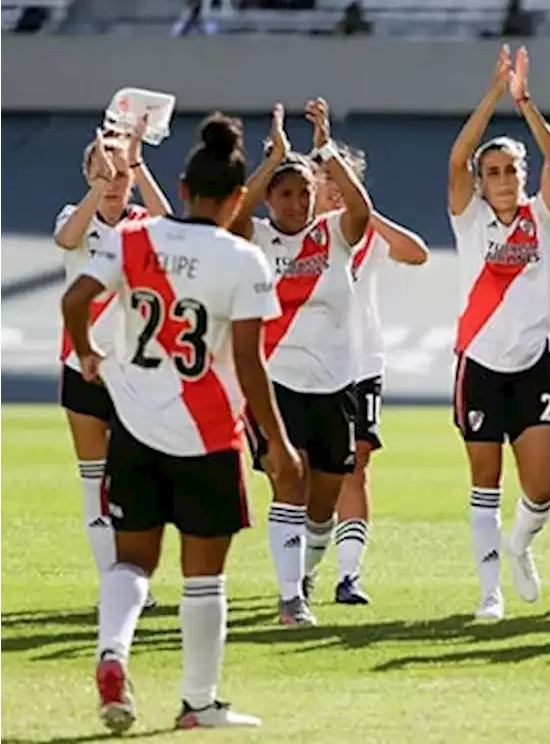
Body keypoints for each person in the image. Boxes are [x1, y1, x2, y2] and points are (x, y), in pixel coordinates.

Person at [62, 114, 300, 732]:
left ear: (184, 187)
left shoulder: (133, 239)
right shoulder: (242, 259)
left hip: (135, 428)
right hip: (207, 434)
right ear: (231, 200)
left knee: (132, 562)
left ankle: (113, 651)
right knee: (204, 575)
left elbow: (72, 299)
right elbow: (249, 363)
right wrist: (278, 445)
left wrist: (88, 352)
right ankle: (198, 704)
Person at [230, 100, 372, 627]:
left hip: (335, 382)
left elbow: (362, 210)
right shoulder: (257, 240)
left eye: (303, 192)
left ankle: (306, 573)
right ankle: (291, 598)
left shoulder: (334, 233)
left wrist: (324, 149)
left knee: (325, 502)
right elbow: (234, 215)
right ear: (271, 198)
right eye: (285, 193)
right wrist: (275, 159)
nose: (295, 202)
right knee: (288, 482)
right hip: (275, 383)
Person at [446, 45, 550, 621]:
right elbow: (456, 159)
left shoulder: (542, 218)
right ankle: (489, 592)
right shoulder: (469, 220)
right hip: (481, 366)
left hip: (533, 365)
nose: (500, 179)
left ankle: (520, 544)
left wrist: (524, 103)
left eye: (510, 170)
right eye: (491, 172)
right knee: (485, 481)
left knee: (540, 492)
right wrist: (492, 94)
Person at [55, 117, 170, 596]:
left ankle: (134, 576)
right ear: (88, 175)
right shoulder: (73, 218)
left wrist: (137, 164)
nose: (114, 182)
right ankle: (111, 582)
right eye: (105, 172)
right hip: (82, 365)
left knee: (133, 482)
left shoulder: (143, 224)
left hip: (132, 373)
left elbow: (174, 224)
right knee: (92, 481)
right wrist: (97, 187)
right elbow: (67, 239)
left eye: (121, 175)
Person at [310, 140, 428, 605]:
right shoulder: (298, 235)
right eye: (327, 181)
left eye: (343, 181)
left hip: (362, 367)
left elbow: (417, 253)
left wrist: (366, 213)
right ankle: (301, 571)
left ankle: (348, 574)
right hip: (312, 368)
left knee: (356, 466)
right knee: (309, 475)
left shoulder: (369, 236)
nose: (335, 190)